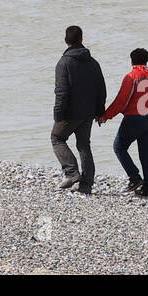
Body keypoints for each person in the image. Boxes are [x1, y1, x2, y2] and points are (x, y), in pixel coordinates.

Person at [98, 48, 148, 198]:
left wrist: (106, 116)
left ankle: (134, 178)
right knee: (146, 153)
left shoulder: (132, 76)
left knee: (119, 147)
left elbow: (121, 100)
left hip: (135, 118)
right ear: (147, 60)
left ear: (131, 61)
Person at [51, 26, 107, 194]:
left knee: (56, 138)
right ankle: (86, 184)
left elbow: (61, 91)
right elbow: (101, 89)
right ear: (81, 39)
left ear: (66, 40)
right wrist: (100, 111)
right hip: (88, 113)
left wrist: (58, 114)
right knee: (84, 145)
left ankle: (71, 173)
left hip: (70, 113)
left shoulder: (64, 63)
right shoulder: (93, 62)